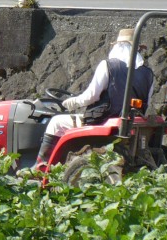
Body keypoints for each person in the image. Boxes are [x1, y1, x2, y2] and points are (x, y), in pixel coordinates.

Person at [35, 27, 155, 165]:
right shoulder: (148, 74)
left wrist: (72, 102)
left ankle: (42, 168)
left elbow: (91, 96)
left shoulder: (108, 66)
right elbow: (147, 101)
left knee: (56, 122)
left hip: (104, 121)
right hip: (131, 123)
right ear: (138, 49)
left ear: (118, 46)